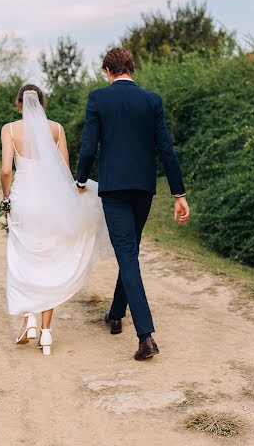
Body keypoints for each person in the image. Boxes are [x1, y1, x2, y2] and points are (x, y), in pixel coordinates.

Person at [76, 47, 189, 361]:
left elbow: (88, 147)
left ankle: (145, 336)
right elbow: (166, 149)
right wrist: (179, 194)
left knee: (127, 255)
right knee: (130, 253)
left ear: (108, 71)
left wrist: (81, 180)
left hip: (113, 189)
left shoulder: (98, 98)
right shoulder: (152, 100)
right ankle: (115, 314)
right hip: (143, 189)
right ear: (131, 69)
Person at [0, 84, 112, 356]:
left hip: (23, 202)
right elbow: (64, 172)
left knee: (24, 258)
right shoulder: (57, 129)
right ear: (43, 103)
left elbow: (5, 171)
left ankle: (29, 320)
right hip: (50, 203)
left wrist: (6, 199)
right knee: (49, 259)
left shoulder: (10, 130)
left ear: (19, 104)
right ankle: (47, 333)